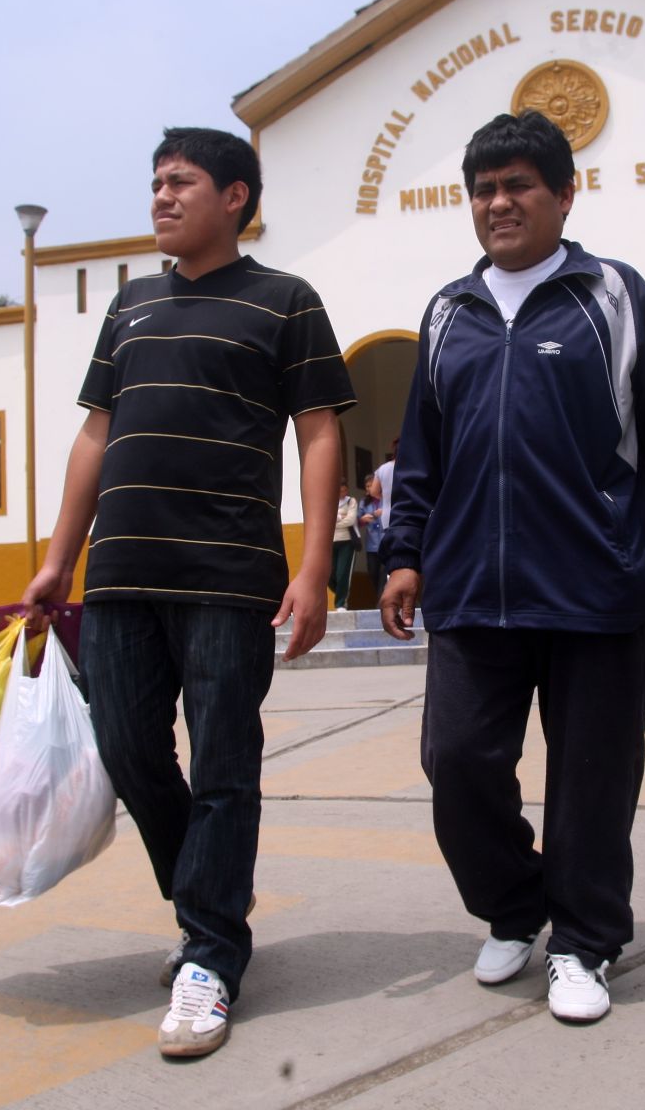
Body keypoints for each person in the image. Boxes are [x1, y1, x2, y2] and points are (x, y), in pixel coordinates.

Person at [380, 111, 645, 1024]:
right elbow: (420, 452)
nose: (498, 203)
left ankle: (583, 941)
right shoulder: (448, 313)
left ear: (564, 194)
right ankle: (515, 905)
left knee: (593, 778)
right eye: (483, 189)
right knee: (456, 763)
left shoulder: (612, 295)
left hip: (593, 585)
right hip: (469, 589)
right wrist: (404, 552)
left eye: (518, 185)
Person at [22, 126, 355, 1060]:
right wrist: (58, 560)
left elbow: (320, 432)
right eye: (157, 183)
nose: (163, 197)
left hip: (226, 579)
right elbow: (96, 437)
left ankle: (209, 953)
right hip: (120, 574)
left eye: (182, 183)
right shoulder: (127, 309)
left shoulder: (284, 303)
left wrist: (315, 564)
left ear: (237, 197)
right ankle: (212, 898)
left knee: (223, 765)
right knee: (129, 750)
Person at [330, 479, 359, 610]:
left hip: (347, 541)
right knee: (329, 575)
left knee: (342, 573)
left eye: (344, 490)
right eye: (339, 490)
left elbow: (351, 520)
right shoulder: (329, 502)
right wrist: (339, 517)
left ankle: (341, 603)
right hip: (330, 542)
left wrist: (334, 522)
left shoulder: (351, 501)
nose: (342, 493)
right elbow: (325, 518)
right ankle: (341, 593)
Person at [358, 472, 387, 603]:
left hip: (386, 542)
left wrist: (384, 512)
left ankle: (380, 600)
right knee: (373, 572)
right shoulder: (363, 503)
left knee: (383, 574)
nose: (369, 488)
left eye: (371, 485)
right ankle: (381, 597)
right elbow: (357, 522)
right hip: (371, 544)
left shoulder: (386, 499)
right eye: (367, 486)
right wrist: (363, 519)